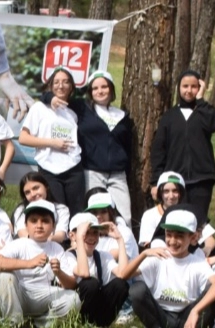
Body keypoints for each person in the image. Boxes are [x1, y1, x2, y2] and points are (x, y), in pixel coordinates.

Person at [114, 208, 215, 328]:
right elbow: (123, 275)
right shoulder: (158, 257)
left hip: (186, 317)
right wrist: (144, 254)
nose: (172, 241)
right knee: (137, 289)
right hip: (161, 315)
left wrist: (195, 311)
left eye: (179, 236)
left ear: (193, 238)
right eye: (169, 234)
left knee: (214, 292)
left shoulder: (197, 262)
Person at [0, 201, 77, 328]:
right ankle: (14, 327)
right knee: (4, 276)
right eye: (34, 221)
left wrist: (59, 272)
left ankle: (37, 326)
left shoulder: (57, 248)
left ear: (53, 226)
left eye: (45, 221)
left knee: (73, 299)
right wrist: (29, 263)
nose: (39, 225)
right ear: (26, 225)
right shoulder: (19, 244)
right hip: (15, 293)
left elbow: (71, 285)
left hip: (40, 294)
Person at [149, 69, 215, 222]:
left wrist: (200, 100)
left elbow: (214, 124)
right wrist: (156, 181)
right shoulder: (169, 117)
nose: (189, 90)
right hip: (174, 182)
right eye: (185, 86)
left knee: (198, 222)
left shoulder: (204, 113)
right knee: (174, 221)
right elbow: (158, 151)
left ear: (200, 88)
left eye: (194, 86)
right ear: (179, 88)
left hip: (201, 181)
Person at [20, 68, 88, 215]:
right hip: (49, 168)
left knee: (77, 214)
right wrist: (52, 143)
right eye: (56, 82)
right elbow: (23, 138)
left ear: (71, 87)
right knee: (56, 212)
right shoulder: (39, 108)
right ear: (50, 86)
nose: (60, 86)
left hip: (74, 168)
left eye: (65, 82)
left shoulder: (74, 111)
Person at [77, 71, 134, 223]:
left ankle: (122, 239)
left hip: (117, 174)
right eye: (95, 88)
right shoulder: (83, 110)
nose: (100, 91)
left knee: (124, 217)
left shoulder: (122, 116)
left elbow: (128, 147)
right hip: (92, 172)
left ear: (111, 89)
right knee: (93, 215)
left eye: (104, 87)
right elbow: (58, 96)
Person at [58, 213, 129, 328]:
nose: (91, 237)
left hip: (96, 308)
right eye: (86, 233)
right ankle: (82, 326)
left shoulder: (103, 256)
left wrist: (120, 239)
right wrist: (80, 239)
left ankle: (100, 326)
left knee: (121, 284)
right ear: (72, 235)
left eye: (95, 233)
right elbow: (84, 273)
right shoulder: (68, 256)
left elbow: (123, 274)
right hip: (75, 307)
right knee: (90, 283)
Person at [84, 190, 140, 262]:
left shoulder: (124, 232)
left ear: (111, 212)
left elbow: (112, 257)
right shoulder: (88, 234)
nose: (98, 216)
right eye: (94, 212)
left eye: (103, 211)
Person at [12, 172, 71, 240]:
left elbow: (60, 236)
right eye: (27, 192)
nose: (33, 194)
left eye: (36, 188)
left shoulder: (61, 209)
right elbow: (22, 232)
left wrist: (45, 242)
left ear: (46, 187)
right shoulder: (21, 209)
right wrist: (38, 242)